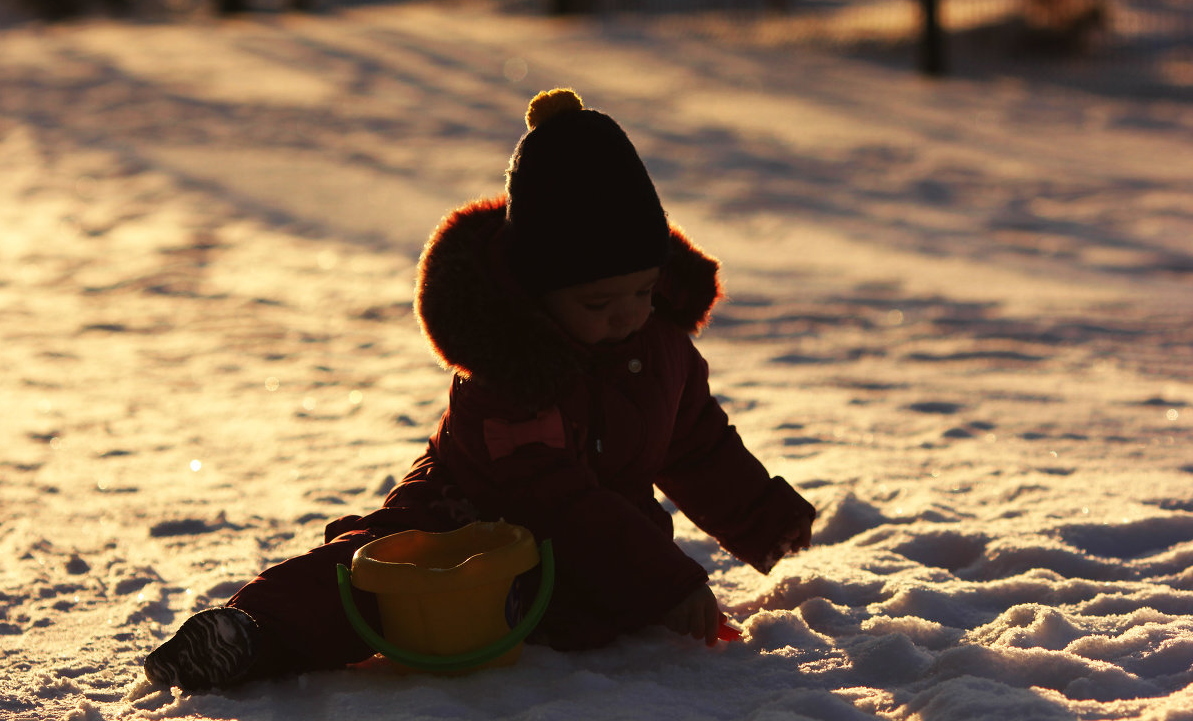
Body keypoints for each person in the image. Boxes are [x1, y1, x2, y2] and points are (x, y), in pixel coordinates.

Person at [143, 88, 816, 691]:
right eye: (598, 300)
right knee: (382, 586)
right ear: (538, 291)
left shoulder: (659, 343)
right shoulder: (512, 374)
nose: (627, 315)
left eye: (643, 290)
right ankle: (248, 635)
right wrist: (665, 579)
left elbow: (697, 443)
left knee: (570, 605)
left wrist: (766, 524)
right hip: (462, 512)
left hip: (595, 545)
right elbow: (554, 495)